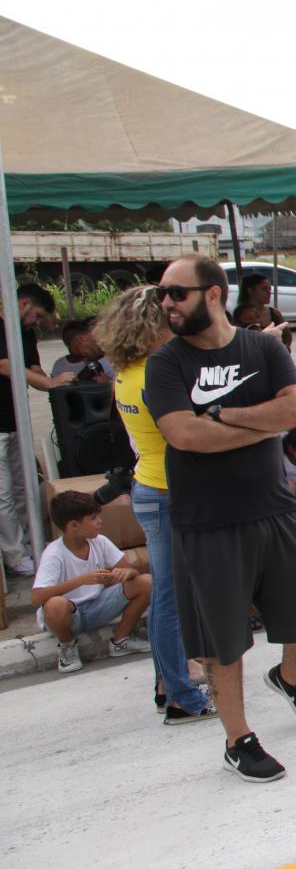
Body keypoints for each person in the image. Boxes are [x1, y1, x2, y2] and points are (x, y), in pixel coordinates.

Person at [147, 254, 296, 784]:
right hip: (207, 521)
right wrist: (261, 424)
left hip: (274, 508)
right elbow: (184, 435)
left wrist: (224, 414)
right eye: (163, 293)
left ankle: (289, 676)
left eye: (176, 292)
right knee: (222, 643)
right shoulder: (167, 363)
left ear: (212, 294)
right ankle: (239, 740)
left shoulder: (263, 347)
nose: (166, 303)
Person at [96, 284, 215, 721]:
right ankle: (181, 694)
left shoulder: (127, 372)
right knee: (170, 598)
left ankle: (169, 685)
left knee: (170, 595)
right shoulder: (155, 373)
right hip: (168, 489)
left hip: (151, 485)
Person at [32, 491, 153, 673]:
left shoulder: (100, 542)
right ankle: (67, 647)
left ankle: (120, 641)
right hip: (69, 616)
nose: (100, 522)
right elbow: (37, 597)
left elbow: (133, 570)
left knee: (146, 582)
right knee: (54, 604)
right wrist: (82, 580)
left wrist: (125, 573)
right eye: (93, 518)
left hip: (97, 606)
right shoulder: (54, 554)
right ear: (73, 525)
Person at [2, 284, 75, 577]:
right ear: (23, 304)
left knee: (24, 487)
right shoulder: (1, 327)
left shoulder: (26, 334)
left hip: (17, 421)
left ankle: (31, 544)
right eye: (37, 315)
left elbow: (33, 368)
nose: (37, 322)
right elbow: (7, 365)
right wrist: (48, 384)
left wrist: (53, 380)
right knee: (3, 492)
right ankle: (14, 553)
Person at [49, 321, 115, 381]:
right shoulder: (59, 364)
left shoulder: (110, 355)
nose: (83, 356)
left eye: (78, 350)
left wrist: (109, 382)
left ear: (79, 338)